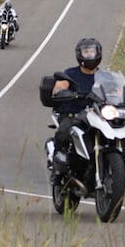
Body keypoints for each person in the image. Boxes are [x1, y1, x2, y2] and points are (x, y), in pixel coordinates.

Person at [48, 38, 102, 183]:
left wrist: (124, 97)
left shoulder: (104, 76)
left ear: (98, 53)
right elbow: (59, 86)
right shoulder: (70, 74)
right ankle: (58, 168)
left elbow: (116, 89)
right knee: (64, 131)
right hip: (73, 114)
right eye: (86, 52)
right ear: (80, 54)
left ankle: (117, 163)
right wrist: (61, 91)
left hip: (95, 116)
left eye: (92, 51)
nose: (89, 55)